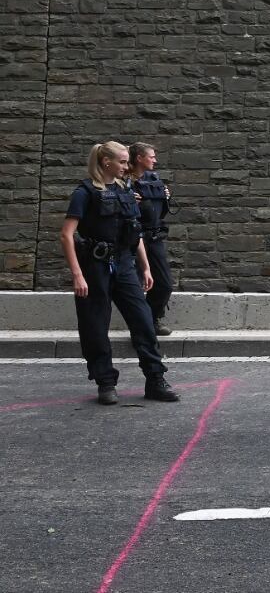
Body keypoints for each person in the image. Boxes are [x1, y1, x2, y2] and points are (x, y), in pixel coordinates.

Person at [59, 141, 179, 405]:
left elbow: (134, 232)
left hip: (124, 264)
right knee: (95, 326)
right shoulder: (85, 192)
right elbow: (67, 235)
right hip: (94, 266)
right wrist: (77, 275)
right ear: (106, 163)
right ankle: (106, 382)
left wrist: (145, 266)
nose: (128, 166)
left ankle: (155, 379)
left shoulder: (126, 191)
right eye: (123, 162)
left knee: (144, 321)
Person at [126, 142, 174, 336]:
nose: (155, 160)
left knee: (164, 284)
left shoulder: (153, 179)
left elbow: (159, 213)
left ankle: (153, 318)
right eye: (151, 156)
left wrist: (166, 198)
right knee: (133, 286)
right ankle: (140, 326)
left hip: (153, 237)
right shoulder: (123, 181)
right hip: (131, 238)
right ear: (139, 158)